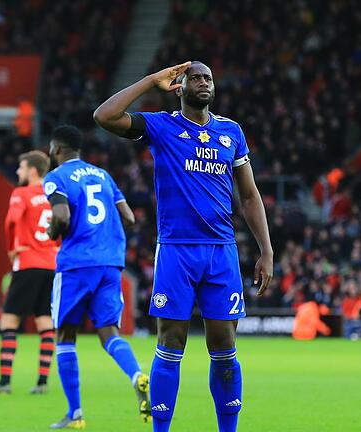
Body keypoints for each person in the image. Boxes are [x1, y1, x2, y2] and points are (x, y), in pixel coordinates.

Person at [94, 61, 273, 432]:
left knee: (224, 347)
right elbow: (105, 116)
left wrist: (266, 250)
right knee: (170, 341)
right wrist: (148, 82)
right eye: (196, 78)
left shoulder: (231, 131)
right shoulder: (162, 126)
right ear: (180, 87)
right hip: (176, 250)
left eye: (208, 78)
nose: (204, 83)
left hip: (221, 252)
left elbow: (250, 196)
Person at [43, 125, 150, 429]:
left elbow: (61, 217)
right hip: (109, 264)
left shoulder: (56, 178)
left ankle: (75, 414)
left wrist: (53, 232)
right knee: (109, 334)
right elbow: (128, 217)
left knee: (65, 336)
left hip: (76, 264)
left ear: (56, 149)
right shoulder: (103, 175)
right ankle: (136, 375)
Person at [0, 151, 59, 395]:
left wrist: (12, 249)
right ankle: (42, 382)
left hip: (28, 262)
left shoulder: (21, 193)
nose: (18, 172)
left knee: (9, 321)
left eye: (21, 168)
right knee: (44, 321)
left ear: (32, 170)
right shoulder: (55, 194)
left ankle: (4, 383)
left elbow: (10, 221)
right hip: (52, 263)